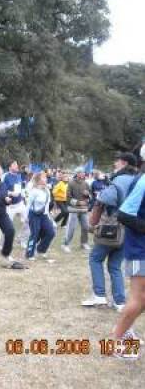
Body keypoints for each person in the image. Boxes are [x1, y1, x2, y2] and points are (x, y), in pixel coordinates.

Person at [82, 153, 138, 311]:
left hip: (112, 227)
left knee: (95, 258)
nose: (115, 163)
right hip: (131, 229)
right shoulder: (138, 179)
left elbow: (105, 199)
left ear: (124, 163)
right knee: (115, 266)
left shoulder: (119, 180)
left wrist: (93, 219)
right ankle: (120, 302)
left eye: (117, 161)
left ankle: (99, 295)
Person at [112, 146, 145, 359]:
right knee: (139, 297)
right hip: (140, 248)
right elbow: (123, 214)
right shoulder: (143, 181)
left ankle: (125, 331)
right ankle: (115, 342)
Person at [25, 172, 56, 261]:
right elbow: (28, 204)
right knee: (34, 234)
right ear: (39, 180)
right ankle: (29, 253)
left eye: (46, 178)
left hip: (44, 215)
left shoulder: (47, 190)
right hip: (34, 215)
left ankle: (40, 249)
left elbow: (47, 204)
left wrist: (49, 215)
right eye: (44, 178)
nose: (46, 179)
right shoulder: (34, 191)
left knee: (51, 232)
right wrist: (26, 217)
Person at [62, 167, 92, 253]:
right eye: (81, 172)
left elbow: (90, 196)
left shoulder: (86, 183)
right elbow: (68, 197)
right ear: (77, 173)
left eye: (83, 172)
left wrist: (88, 195)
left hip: (84, 209)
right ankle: (66, 244)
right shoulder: (71, 183)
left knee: (86, 227)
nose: (83, 174)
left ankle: (84, 243)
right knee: (71, 227)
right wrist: (78, 202)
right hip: (74, 209)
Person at [1, 161, 29, 248]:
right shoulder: (5, 176)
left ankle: (21, 240)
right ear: (9, 167)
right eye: (14, 165)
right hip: (10, 206)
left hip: (20, 203)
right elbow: (0, 189)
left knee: (29, 221)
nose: (17, 166)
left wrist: (25, 197)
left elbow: (20, 188)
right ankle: (2, 244)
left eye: (17, 165)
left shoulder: (18, 176)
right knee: (7, 225)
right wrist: (11, 193)